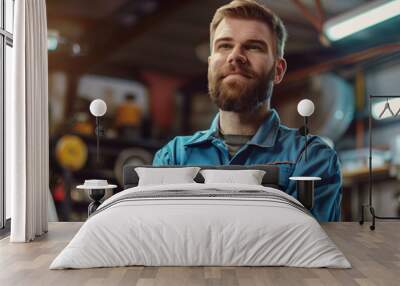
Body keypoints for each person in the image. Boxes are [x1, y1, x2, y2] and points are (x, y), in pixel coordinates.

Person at [152, 0, 342, 222]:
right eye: (224, 45)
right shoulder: (173, 156)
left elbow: (305, 248)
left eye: (253, 46)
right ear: (210, 65)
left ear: (278, 71)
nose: (236, 56)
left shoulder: (311, 158)